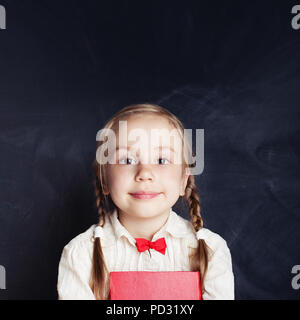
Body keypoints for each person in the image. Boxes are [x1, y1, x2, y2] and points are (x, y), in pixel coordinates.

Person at [57, 103, 234, 300]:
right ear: (105, 180)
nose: (145, 174)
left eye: (162, 160)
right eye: (127, 160)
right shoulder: (80, 254)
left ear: (184, 180)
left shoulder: (212, 250)